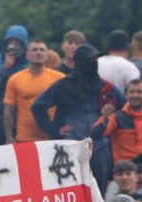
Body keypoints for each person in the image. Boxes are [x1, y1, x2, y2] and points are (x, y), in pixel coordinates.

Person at [33, 44, 125, 192]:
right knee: (70, 190)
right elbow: (38, 107)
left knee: (99, 193)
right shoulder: (63, 86)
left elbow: (124, 108)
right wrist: (54, 129)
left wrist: (111, 122)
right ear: (80, 62)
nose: (93, 62)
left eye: (95, 59)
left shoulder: (105, 87)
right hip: (71, 146)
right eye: (89, 59)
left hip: (99, 147)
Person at [2, 39, 65, 143]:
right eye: (34, 50)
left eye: (42, 50)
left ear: (47, 55)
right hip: (24, 139)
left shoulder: (59, 78)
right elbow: (8, 110)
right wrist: (9, 137)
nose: (38, 52)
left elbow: (70, 105)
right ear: (27, 55)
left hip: (52, 138)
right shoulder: (15, 79)